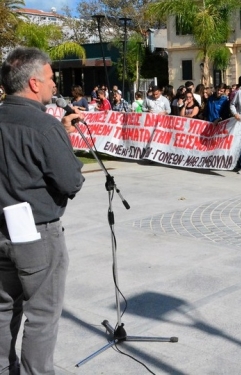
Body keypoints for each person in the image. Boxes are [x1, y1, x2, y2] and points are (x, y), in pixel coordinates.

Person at [0, 47, 85, 374]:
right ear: (34, 83)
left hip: (2, 230)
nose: (55, 84)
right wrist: (64, 141)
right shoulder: (43, 126)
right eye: (51, 78)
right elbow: (70, 182)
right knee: (42, 316)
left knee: (4, 310)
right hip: (37, 235)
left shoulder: (45, 126)